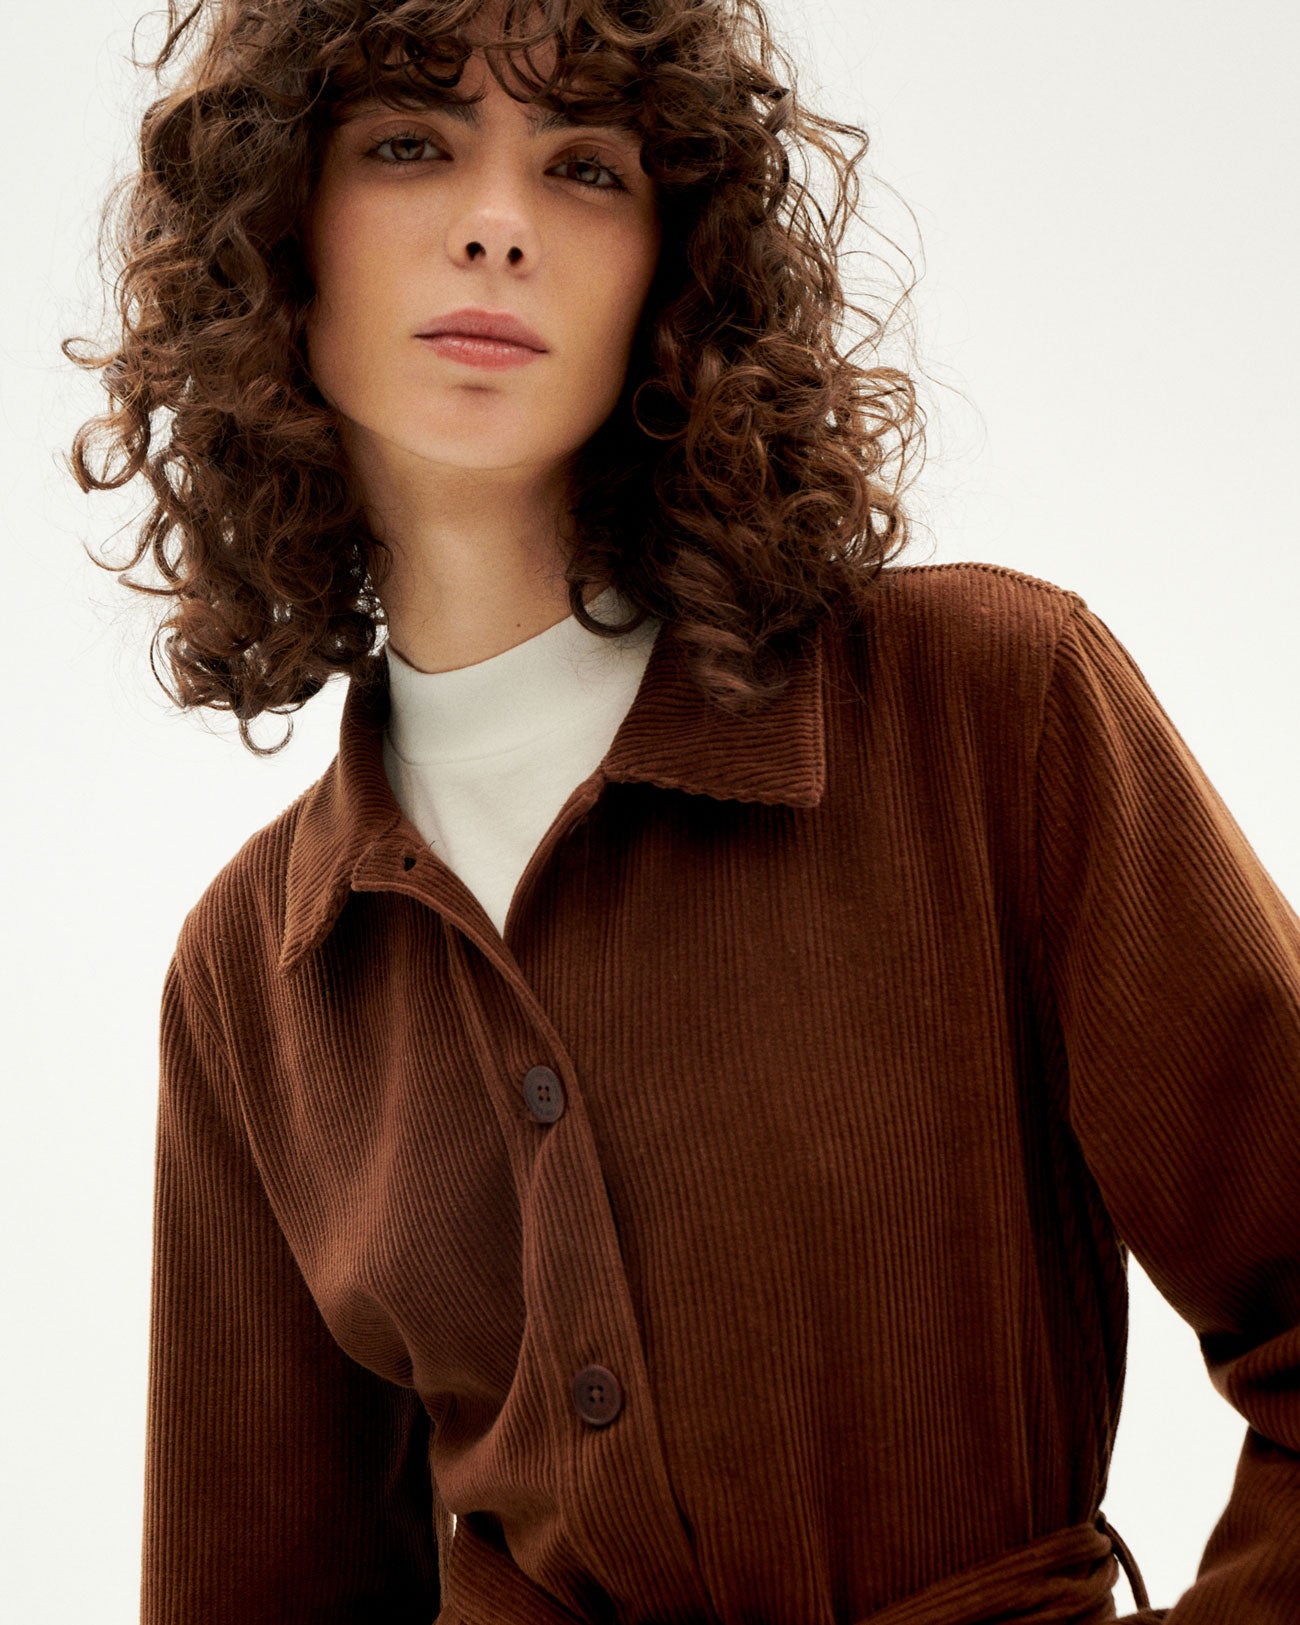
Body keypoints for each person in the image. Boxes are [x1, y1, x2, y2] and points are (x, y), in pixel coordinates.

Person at [64, 2, 1300, 1622]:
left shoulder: (992, 711)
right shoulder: (253, 979)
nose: (498, 223)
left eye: (586, 164)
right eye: (411, 143)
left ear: (675, 268)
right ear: (278, 232)